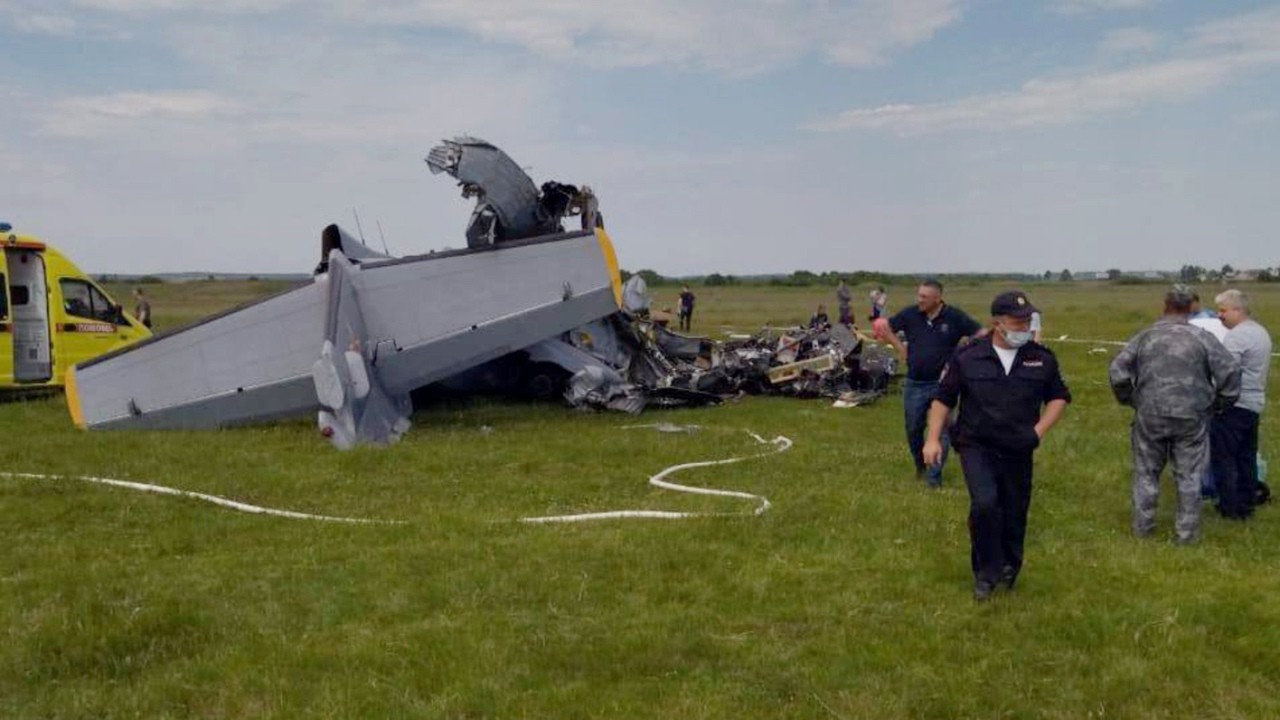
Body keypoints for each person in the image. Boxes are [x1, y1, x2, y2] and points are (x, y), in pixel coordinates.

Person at [924, 291, 1070, 601]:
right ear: (998, 323)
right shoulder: (968, 355)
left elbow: (1058, 397)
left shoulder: (1040, 357)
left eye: (1028, 320)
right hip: (977, 444)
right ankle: (985, 573)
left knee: (1014, 508)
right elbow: (943, 399)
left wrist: (1039, 431)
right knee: (985, 505)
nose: (1025, 327)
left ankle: (1009, 565)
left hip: (1019, 445)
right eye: (1018, 321)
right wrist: (933, 438)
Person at [1108, 285, 1240, 545]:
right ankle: (1186, 535)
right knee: (1189, 476)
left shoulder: (1145, 337)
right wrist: (1219, 404)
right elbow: (1230, 372)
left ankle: (1143, 531)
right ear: (1192, 307)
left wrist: (1131, 399)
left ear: (1164, 305)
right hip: (1192, 415)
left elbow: (1118, 371)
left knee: (1146, 473)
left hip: (1150, 414)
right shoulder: (1202, 337)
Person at [877, 279, 983, 486]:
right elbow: (885, 328)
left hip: (944, 385)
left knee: (942, 432)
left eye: (924, 297)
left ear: (938, 298)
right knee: (913, 429)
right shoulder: (910, 314)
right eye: (919, 295)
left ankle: (933, 478)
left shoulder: (955, 317)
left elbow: (981, 334)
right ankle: (920, 465)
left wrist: (961, 356)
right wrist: (900, 348)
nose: (920, 300)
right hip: (915, 383)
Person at [1211, 289, 1272, 519]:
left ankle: (1230, 507)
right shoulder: (1260, 332)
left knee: (1224, 457)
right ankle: (1246, 502)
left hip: (1234, 405)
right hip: (1253, 404)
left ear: (1238, 310)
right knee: (1246, 456)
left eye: (1223, 310)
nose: (1220, 315)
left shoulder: (1237, 336)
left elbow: (1225, 372)